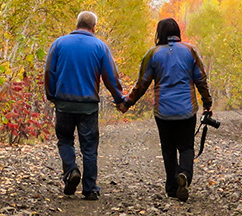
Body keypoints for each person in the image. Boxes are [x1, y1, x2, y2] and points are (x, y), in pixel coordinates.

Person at [120, 18, 212, 201]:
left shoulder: (153, 54)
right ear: (177, 32)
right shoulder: (190, 51)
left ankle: (171, 187)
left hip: (163, 111)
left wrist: (127, 102)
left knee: (168, 148)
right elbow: (201, 79)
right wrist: (207, 103)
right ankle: (184, 174)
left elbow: (142, 84)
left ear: (159, 33)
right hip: (187, 109)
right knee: (186, 146)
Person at [43, 11, 127, 200]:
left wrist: (52, 96)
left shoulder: (59, 44)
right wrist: (119, 99)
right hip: (88, 105)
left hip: (64, 102)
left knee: (65, 140)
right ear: (93, 27)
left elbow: (49, 71)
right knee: (89, 147)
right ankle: (90, 189)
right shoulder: (100, 47)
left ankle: (71, 171)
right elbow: (110, 77)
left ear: (77, 24)